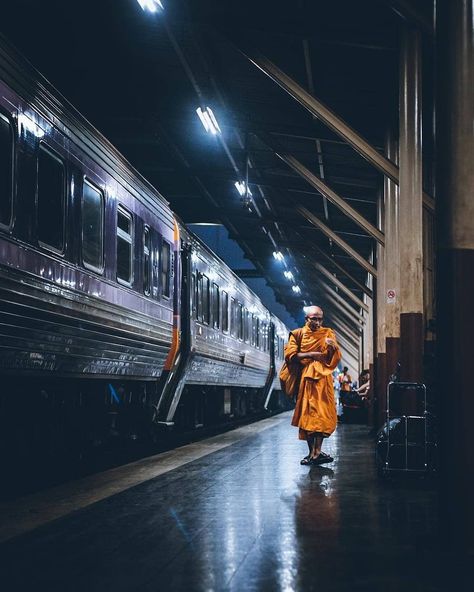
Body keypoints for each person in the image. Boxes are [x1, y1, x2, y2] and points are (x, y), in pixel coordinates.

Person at [284, 305, 342, 465]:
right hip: (307, 380)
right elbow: (290, 356)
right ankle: (312, 452)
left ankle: (317, 451)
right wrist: (311, 354)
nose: (317, 322)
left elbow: (333, 358)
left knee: (323, 416)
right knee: (308, 416)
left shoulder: (328, 333)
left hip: (324, 381)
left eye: (320, 319)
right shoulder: (298, 334)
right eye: (314, 319)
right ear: (306, 319)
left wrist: (333, 347)